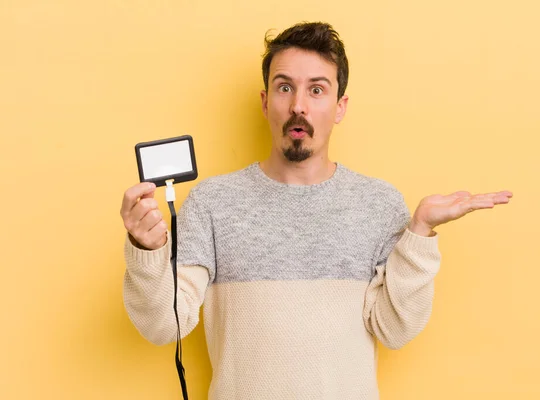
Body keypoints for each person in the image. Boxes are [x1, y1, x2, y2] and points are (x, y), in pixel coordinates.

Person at [120, 21, 512, 399]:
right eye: (284, 87)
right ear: (265, 101)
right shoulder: (212, 203)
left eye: (317, 90)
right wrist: (147, 251)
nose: (298, 106)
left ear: (340, 107)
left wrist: (421, 234)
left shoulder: (379, 204)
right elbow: (163, 325)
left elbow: (396, 330)